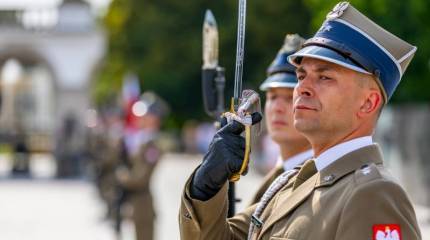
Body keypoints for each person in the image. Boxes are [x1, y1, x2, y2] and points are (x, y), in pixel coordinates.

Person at [178, 2, 421, 240]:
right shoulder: (292, 183)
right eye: (301, 75)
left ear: (368, 102)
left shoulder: (372, 195)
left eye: (324, 77)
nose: (302, 87)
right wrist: (206, 186)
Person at [249, 34, 312, 204]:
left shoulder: (317, 178)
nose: (277, 107)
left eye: (289, 97)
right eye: (272, 96)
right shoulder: (276, 177)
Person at [116, 91, 169, 240]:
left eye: (144, 116)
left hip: (143, 205)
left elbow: (140, 179)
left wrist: (122, 176)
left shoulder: (152, 146)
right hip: (137, 203)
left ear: (154, 119)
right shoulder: (143, 141)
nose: (139, 119)